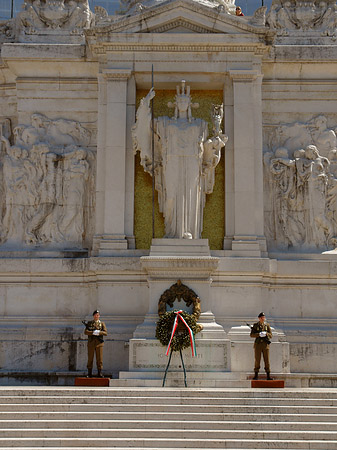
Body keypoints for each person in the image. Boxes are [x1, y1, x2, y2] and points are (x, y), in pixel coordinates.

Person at [84, 310, 108, 378]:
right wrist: (92, 333)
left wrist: (99, 333)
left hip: (99, 343)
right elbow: (85, 332)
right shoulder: (89, 323)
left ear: (99, 316)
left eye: (97, 315)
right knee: (90, 358)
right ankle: (89, 373)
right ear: (93, 316)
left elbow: (105, 333)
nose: (96, 316)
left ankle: (99, 372)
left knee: (99, 359)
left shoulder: (102, 324)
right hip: (91, 343)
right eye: (95, 315)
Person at [250, 312, 273, 380]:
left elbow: (271, 335)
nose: (262, 319)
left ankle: (268, 375)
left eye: (263, 317)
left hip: (265, 345)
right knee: (257, 360)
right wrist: (259, 334)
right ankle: (256, 374)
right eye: (261, 318)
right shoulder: (255, 325)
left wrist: (266, 334)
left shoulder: (267, 326)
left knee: (267, 360)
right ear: (259, 318)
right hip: (258, 345)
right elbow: (251, 335)